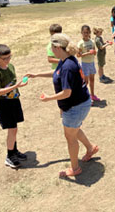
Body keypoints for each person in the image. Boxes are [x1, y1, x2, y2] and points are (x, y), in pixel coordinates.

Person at [27, 34, 99, 177]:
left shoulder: (68, 66)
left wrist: (49, 98)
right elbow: (56, 73)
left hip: (75, 106)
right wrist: (37, 74)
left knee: (70, 137)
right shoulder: (66, 59)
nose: (51, 51)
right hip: (78, 103)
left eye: (52, 48)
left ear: (58, 47)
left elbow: (66, 92)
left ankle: (75, 168)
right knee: (74, 129)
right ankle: (90, 148)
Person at [0, 44, 28, 169]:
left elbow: (5, 87)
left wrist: (16, 87)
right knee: (12, 129)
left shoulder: (10, 67)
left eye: (9, 57)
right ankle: (9, 156)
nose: (8, 60)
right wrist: (16, 86)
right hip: (3, 104)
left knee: (14, 128)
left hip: (14, 101)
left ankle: (14, 150)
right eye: (5, 58)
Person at [77, 25, 100, 102]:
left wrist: (94, 52)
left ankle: (92, 95)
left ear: (89, 33)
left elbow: (94, 52)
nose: (86, 34)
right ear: (81, 33)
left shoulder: (92, 42)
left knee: (92, 80)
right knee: (85, 82)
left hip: (91, 63)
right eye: (84, 33)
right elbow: (78, 55)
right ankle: (85, 97)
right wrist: (87, 53)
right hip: (84, 64)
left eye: (87, 32)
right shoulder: (80, 43)